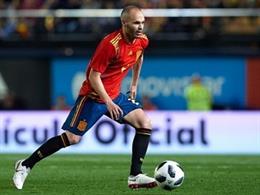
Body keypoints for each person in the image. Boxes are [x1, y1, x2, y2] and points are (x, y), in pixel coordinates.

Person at [12, 5, 157, 190]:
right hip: (93, 97)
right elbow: (92, 76)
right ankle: (25, 165)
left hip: (114, 96)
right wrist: (108, 102)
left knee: (145, 123)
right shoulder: (110, 45)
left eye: (142, 22)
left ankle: (135, 175)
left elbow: (139, 57)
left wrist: (134, 84)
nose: (140, 27)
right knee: (72, 139)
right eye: (136, 22)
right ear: (124, 23)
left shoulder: (142, 41)